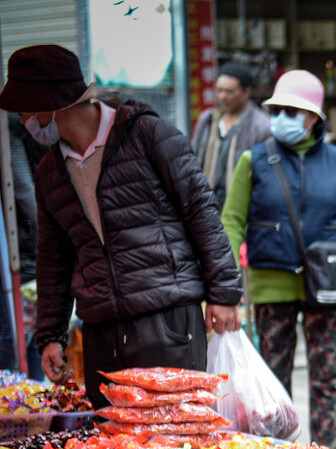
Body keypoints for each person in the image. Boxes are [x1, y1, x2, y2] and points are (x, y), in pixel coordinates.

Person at [0, 44, 242, 408]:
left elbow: (201, 211)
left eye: (27, 109)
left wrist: (223, 294)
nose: (23, 121)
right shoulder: (48, 172)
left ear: (52, 103)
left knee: (175, 440)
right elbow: (54, 259)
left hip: (168, 318)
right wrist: (50, 334)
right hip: (102, 331)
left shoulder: (147, 135)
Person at [221, 69, 336, 449]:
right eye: (277, 109)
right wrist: (226, 283)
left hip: (328, 288)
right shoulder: (254, 160)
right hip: (271, 286)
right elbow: (232, 223)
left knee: (327, 378)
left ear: (313, 117)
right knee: (271, 383)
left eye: (291, 110)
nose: (280, 117)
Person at [0, 112, 47, 377]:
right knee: (18, 336)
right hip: (21, 250)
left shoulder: (43, 131)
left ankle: (31, 407)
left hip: (33, 249)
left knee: (34, 336)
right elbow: (23, 190)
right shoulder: (13, 131)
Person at [191, 62, 272, 209]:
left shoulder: (262, 126)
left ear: (246, 92)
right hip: (207, 203)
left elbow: (266, 174)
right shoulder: (208, 119)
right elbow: (193, 158)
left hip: (242, 204)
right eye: (219, 90)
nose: (222, 97)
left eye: (229, 92)